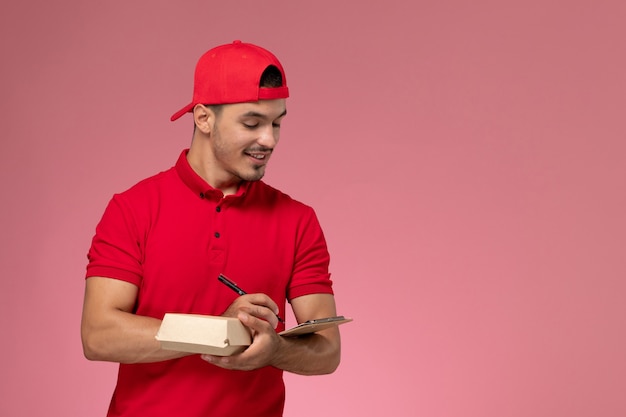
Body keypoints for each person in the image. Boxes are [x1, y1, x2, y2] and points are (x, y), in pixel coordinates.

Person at [81, 40, 342, 417]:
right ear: (204, 118)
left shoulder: (298, 220)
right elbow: (98, 335)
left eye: (277, 123)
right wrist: (215, 332)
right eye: (252, 123)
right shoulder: (133, 208)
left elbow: (328, 349)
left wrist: (277, 350)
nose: (268, 140)